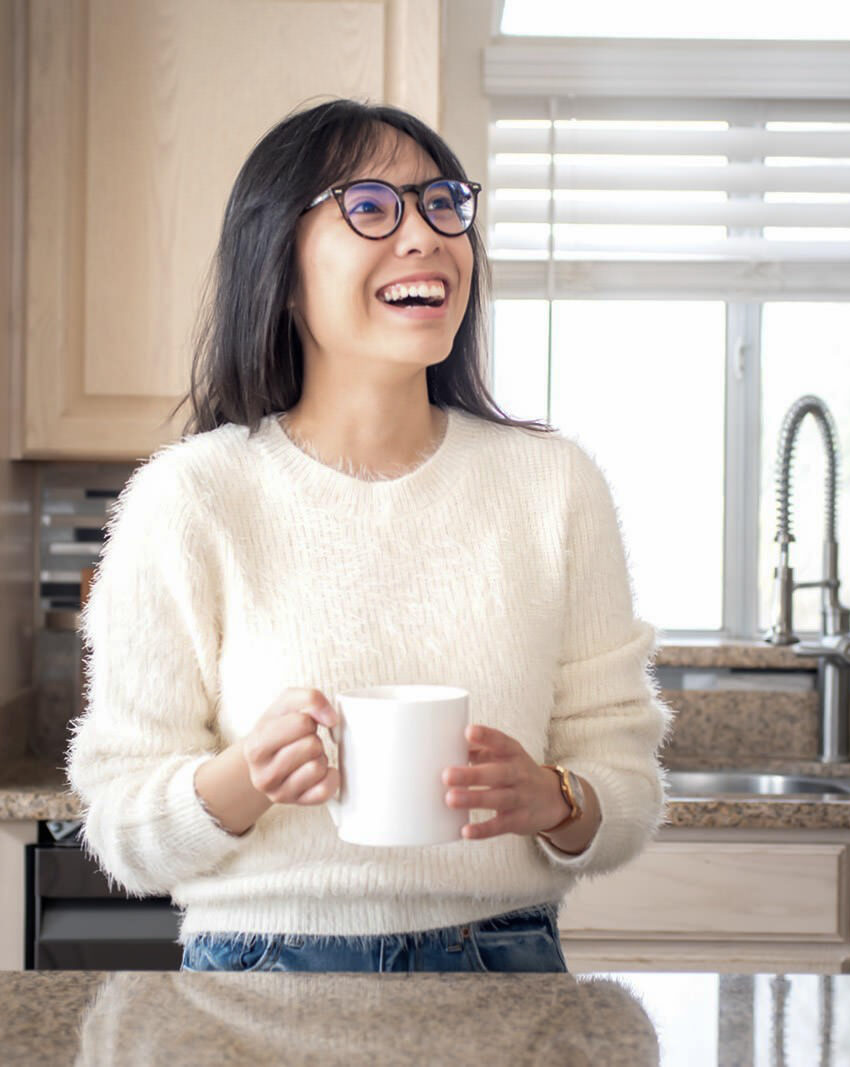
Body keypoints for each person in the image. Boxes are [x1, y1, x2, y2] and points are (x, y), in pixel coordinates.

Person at [64, 98, 674, 974]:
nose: (425, 236)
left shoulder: (554, 486)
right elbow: (122, 828)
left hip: (505, 968)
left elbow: (625, 784)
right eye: (372, 208)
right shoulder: (190, 497)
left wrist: (554, 798)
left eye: (441, 205)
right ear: (279, 265)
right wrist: (246, 777)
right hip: (258, 986)